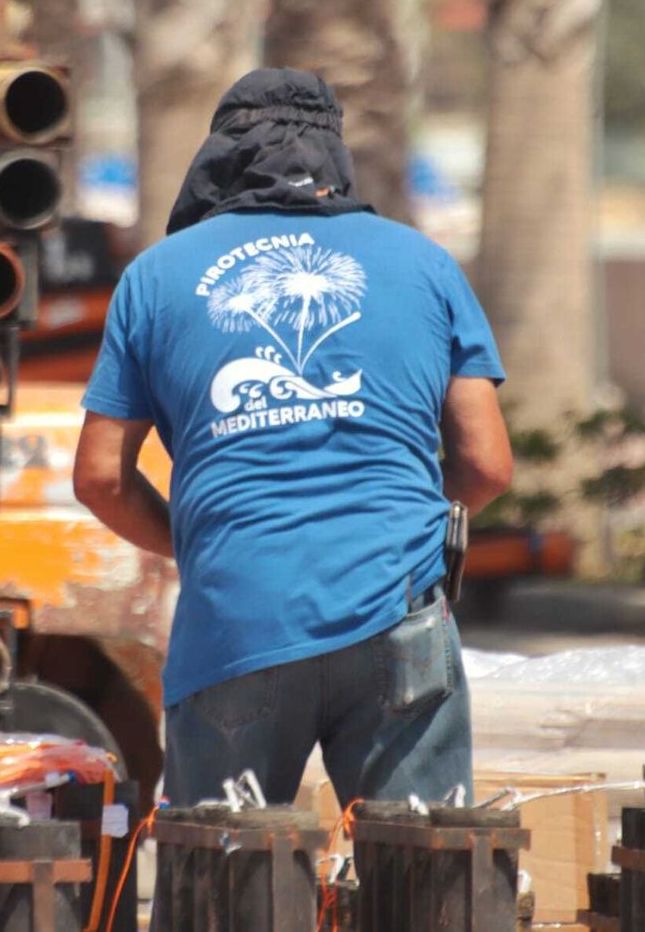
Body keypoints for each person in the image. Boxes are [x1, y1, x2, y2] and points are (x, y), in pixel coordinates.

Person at [73, 68, 512, 808]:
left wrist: (210, 540)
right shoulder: (426, 264)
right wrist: (401, 522)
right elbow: (487, 465)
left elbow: (99, 478)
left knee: (225, 876)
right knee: (427, 873)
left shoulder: (154, 278)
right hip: (398, 607)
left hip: (237, 611)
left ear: (220, 155)